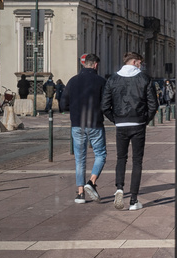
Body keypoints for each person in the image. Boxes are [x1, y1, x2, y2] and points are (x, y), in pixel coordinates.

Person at [103, 50, 158, 210]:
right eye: (140, 63)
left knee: (121, 158)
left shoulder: (112, 79)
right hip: (138, 123)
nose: (141, 66)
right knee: (137, 161)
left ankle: (119, 187)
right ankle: (133, 199)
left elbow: (105, 106)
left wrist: (116, 119)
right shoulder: (144, 78)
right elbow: (153, 104)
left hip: (121, 124)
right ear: (134, 62)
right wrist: (144, 120)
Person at [61, 55, 107, 203]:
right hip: (95, 123)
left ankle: (80, 193)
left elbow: (63, 104)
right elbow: (106, 103)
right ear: (95, 65)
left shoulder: (72, 81)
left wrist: (74, 109)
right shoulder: (101, 81)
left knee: (79, 158)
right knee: (100, 154)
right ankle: (92, 182)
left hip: (77, 124)